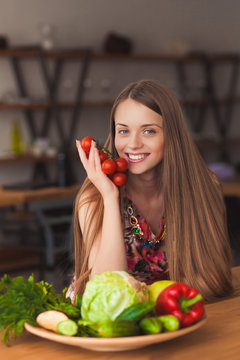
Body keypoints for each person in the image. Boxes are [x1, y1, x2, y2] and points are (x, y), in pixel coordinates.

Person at [72, 79, 233, 303]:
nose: (133, 144)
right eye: (124, 131)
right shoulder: (95, 198)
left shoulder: (203, 186)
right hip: (121, 330)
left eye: (149, 131)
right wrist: (110, 198)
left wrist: (141, 300)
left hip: (176, 319)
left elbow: (213, 281)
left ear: (172, 135)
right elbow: (107, 294)